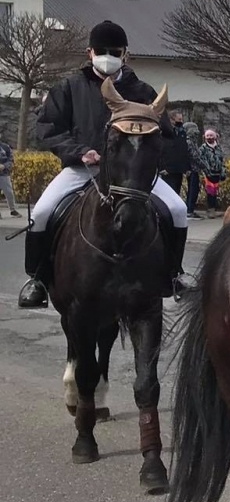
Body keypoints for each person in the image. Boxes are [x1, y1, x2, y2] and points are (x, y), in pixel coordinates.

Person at [18, 20, 194, 307]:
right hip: (83, 168)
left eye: (115, 51)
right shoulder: (68, 88)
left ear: (125, 54)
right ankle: (36, 278)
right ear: (89, 52)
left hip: (131, 175)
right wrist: (79, 151)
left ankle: (175, 274)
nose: (108, 56)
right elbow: (48, 128)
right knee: (41, 212)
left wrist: (147, 158)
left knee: (177, 209)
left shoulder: (143, 91)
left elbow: (165, 133)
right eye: (102, 50)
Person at [160, 110, 192, 195]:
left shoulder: (182, 133)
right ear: (171, 120)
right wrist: (161, 168)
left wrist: (187, 167)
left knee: (176, 193)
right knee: (168, 193)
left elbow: (185, 150)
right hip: (167, 170)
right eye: (179, 119)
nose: (181, 121)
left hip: (179, 170)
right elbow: (160, 151)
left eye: (181, 119)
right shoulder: (164, 133)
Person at [197, 129, 226, 216]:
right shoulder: (203, 148)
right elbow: (201, 160)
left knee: (215, 191)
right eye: (207, 136)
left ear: (215, 136)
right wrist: (206, 171)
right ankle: (211, 209)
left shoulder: (219, 148)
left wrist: (223, 172)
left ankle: (214, 208)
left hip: (217, 172)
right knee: (210, 192)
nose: (209, 137)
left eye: (211, 135)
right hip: (208, 173)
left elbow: (222, 160)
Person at [0, 138, 17, 217]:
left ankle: (12, 210)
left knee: (9, 193)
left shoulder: (5, 147)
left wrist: (4, 166)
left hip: (4, 174)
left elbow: (11, 160)